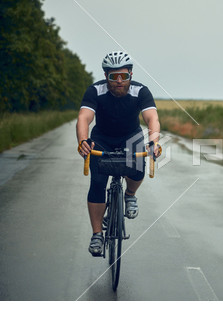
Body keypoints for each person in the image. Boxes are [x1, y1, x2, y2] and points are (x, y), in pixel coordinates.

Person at [76, 51, 161, 256]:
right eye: (114, 77)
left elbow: (152, 119)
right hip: (102, 138)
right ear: (107, 76)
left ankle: (130, 195)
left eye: (124, 76)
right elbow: (84, 118)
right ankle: (97, 235)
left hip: (130, 137)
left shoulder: (141, 91)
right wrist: (83, 141)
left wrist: (153, 142)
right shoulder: (95, 90)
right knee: (97, 182)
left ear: (131, 74)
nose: (120, 81)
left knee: (137, 169)